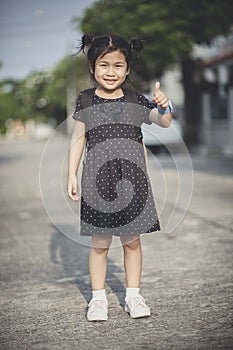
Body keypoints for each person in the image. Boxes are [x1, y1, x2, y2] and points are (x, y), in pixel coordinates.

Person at [67, 34, 172, 321]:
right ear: (92, 68)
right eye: (104, 65)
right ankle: (98, 300)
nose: (110, 72)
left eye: (118, 66)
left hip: (133, 180)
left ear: (127, 70)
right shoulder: (85, 99)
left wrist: (164, 106)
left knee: (131, 241)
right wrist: (71, 175)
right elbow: (78, 140)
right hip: (96, 181)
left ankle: (133, 296)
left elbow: (162, 122)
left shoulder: (136, 99)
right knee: (100, 243)